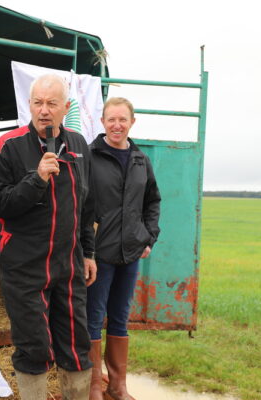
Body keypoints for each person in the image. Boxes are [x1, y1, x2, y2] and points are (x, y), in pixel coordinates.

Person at [0, 74, 97, 400]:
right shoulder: (9, 146)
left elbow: (86, 207)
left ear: (66, 107)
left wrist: (88, 253)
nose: (44, 110)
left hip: (70, 265)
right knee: (34, 346)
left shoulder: (78, 146)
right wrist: (36, 179)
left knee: (76, 345)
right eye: (37, 103)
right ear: (29, 105)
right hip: (25, 266)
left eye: (51, 103)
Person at [86, 97, 161, 400]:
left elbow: (152, 201)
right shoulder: (89, 157)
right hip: (98, 254)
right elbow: (80, 205)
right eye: (111, 119)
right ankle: (93, 387)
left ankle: (118, 386)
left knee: (120, 316)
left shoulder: (140, 159)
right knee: (93, 317)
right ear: (102, 122)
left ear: (132, 122)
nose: (117, 125)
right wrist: (85, 248)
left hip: (130, 252)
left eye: (123, 119)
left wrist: (148, 237)